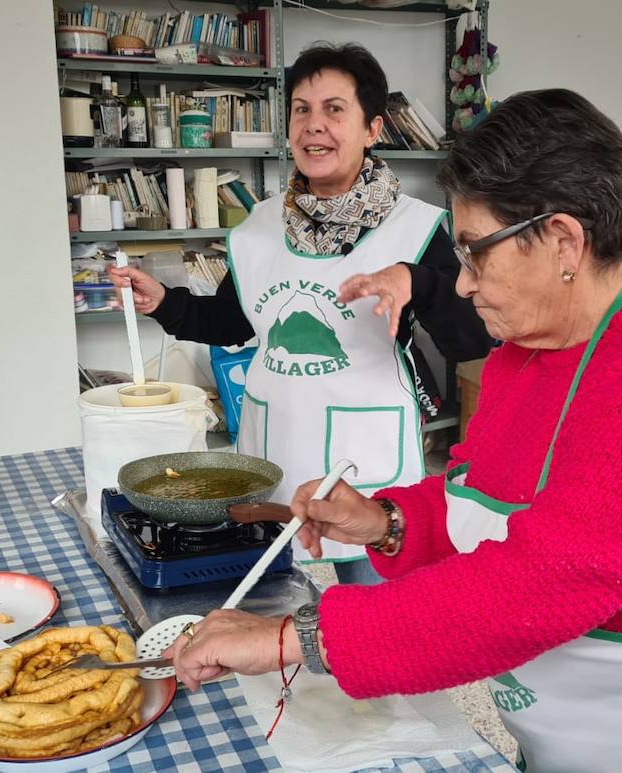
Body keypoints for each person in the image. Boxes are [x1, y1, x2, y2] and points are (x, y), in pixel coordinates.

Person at [163, 89, 622, 771]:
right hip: (563, 713)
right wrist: (386, 521)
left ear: (562, 241)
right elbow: (478, 494)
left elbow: (533, 587)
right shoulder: (526, 351)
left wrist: (290, 638)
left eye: (474, 255)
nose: (461, 286)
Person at [109, 43, 491, 585]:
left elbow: (471, 341)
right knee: (270, 602)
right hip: (275, 446)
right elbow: (232, 325)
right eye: (301, 109)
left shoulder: (417, 228)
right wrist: (164, 302)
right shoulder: (258, 228)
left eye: (335, 110)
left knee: (374, 619)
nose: (314, 125)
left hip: (365, 459)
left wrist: (419, 282)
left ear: (372, 128)